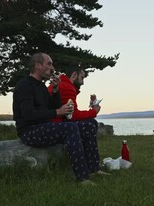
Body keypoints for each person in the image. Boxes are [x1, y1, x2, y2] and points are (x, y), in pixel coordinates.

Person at [12, 52, 97, 185]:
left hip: (44, 127)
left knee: (89, 125)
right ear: (38, 65)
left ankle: (94, 168)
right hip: (29, 131)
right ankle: (82, 178)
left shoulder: (42, 86)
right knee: (70, 128)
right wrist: (58, 112)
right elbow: (29, 115)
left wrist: (56, 90)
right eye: (49, 64)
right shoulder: (24, 85)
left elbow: (52, 107)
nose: (52, 68)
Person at [48, 65, 109, 176]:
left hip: (57, 121)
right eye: (82, 78)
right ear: (74, 75)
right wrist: (94, 112)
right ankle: (93, 167)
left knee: (90, 123)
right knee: (90, 124)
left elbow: (71, 112)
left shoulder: (65, 85)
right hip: (56, 123)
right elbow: (73, 115)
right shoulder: (67, 87)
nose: (83, 82)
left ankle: (93, 166)